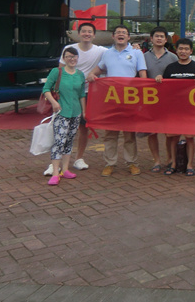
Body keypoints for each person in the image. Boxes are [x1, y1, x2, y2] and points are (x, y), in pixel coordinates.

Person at [87, 24, 147, 177]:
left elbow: (143, 74)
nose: (121, 34)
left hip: (130, 99)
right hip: (111, 99)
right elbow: (100, 68)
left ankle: (132, 163)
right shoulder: (107, 53)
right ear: (113, 36)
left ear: (128, 37)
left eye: (124, 33)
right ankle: (110, 163)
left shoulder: (137, 53)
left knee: (129, 134)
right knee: (110, 133)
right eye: (118, 32)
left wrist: (143, 94)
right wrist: (92, 74)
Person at [46, 21, 106, 176]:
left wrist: (134, 47)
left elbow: (117, 52)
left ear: (94, 35)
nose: (87, 34)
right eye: (84, 31)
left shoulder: (101, 50)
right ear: (78, 34)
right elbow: (59, 71)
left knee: (83, 128)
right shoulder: (69, 49)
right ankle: (54, 164)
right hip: (66, 95)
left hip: (86, 94)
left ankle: (79, 158)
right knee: (60, 131)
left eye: (90, 32)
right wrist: (56, 96)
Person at [156, 38, 195, 176]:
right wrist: (159, 79)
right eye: (181, 49)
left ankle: (190, 165)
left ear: (191, 51)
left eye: (186, 49)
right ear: (176, 51)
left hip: (190, 109)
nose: (183, 51)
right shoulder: (170, 68)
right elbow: (164, 87)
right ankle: (173, 163)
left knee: (189, 137)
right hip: (173, 109)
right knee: (173, 137)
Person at [43, 47, 86, 186]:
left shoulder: (80, 74)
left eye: (74, 56)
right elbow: (46, 89)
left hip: (75, 112)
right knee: (59, 142)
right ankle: (56, 172)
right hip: (61, 112)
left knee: (69, 140)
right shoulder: (57, 72)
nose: (72, 59)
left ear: (77, 58)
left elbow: (81, 94)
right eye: (68, 57)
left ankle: (65, 169)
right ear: (64, 58)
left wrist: (84, 111)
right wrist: (54, 102)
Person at [143, 26, 178, 173]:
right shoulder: (143, 57)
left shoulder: (173, 57)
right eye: (156, 36)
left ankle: (170, 158)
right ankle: (156, 160)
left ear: (165, 39)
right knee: (152, 132)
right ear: (151, 39)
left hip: (168, 101)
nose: (159, 38)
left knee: (169, 132)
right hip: (149, 100)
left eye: (162, 36)